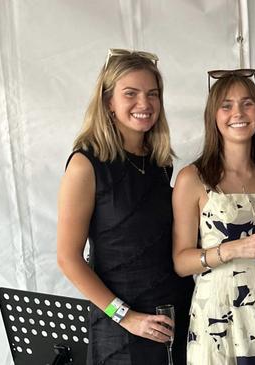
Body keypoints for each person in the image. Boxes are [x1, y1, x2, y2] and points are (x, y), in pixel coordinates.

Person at [57, 49, 194, 365]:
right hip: (122, 330)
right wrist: (128, 317)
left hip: (177, 315)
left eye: (152, 94)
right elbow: (68, 258)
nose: (144, 104)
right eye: (130, 94)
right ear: (109, 102)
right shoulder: (85, 165)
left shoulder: (160, 164)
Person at [172, 69, 255, 365]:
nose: (237, 113)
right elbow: (180, 262)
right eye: (226, 105)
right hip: (218, 311)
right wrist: (233, 249)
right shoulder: (194, 178)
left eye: (247, 103)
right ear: (213, 116)